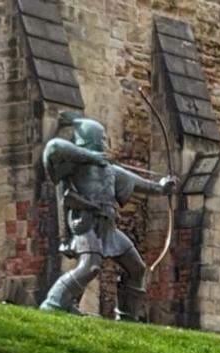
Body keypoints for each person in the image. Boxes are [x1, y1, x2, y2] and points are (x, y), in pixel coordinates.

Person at [37, 117, 174, 321]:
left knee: (136, 268)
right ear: (89, 140)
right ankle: (53, 303)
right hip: (85, 224)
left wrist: (162, 188)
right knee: (90, 266)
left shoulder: (109, 170)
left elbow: (141, 184)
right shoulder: (77, 165)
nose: (103, 143)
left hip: (108, 227)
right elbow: (54, 147)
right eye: (100, 138)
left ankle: (128, 316)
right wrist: (92, 157)